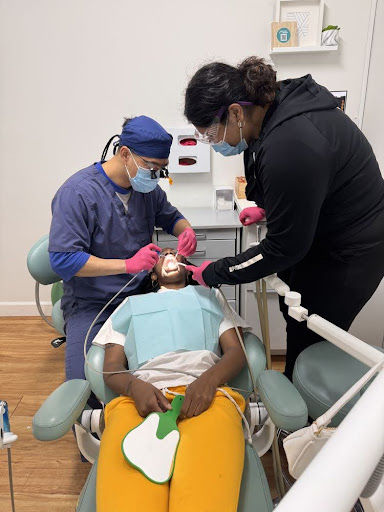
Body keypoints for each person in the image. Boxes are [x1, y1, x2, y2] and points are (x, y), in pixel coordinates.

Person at [184, 56, 384, 379]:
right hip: (326, 228)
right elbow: (310, 185)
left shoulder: (291, 146)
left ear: (235, 112)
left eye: (209, 135)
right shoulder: (273, 106)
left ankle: (307, 420)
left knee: (310, 338)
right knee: (293, 313)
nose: (211, 144)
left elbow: (282, 249)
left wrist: (216, 271)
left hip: (352, 253)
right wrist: (270, 208)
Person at [92, 248, 249, 512]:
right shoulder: (130, 305)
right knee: (130, 498)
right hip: (140, 400)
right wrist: (134, 386)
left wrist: (208, 383)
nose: (171, 256)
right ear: (152, 275)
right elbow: (111, 366)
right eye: (163, 255)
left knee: (203, 495)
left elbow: (236, 351)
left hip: (207, 397)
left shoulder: (210, 297)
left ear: (188, 269)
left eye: (176, 254)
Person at [48, 116, 197, 386]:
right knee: (87, 384)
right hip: (92, 303)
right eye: (152, 167)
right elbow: (63, 260)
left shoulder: (147, 191)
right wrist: (127, 265)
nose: (155, 176)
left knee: (163, 368)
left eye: (162, 169)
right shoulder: (77, 194)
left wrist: (186, 231)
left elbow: (170, 217)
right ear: (125, 154)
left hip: (140, 297)